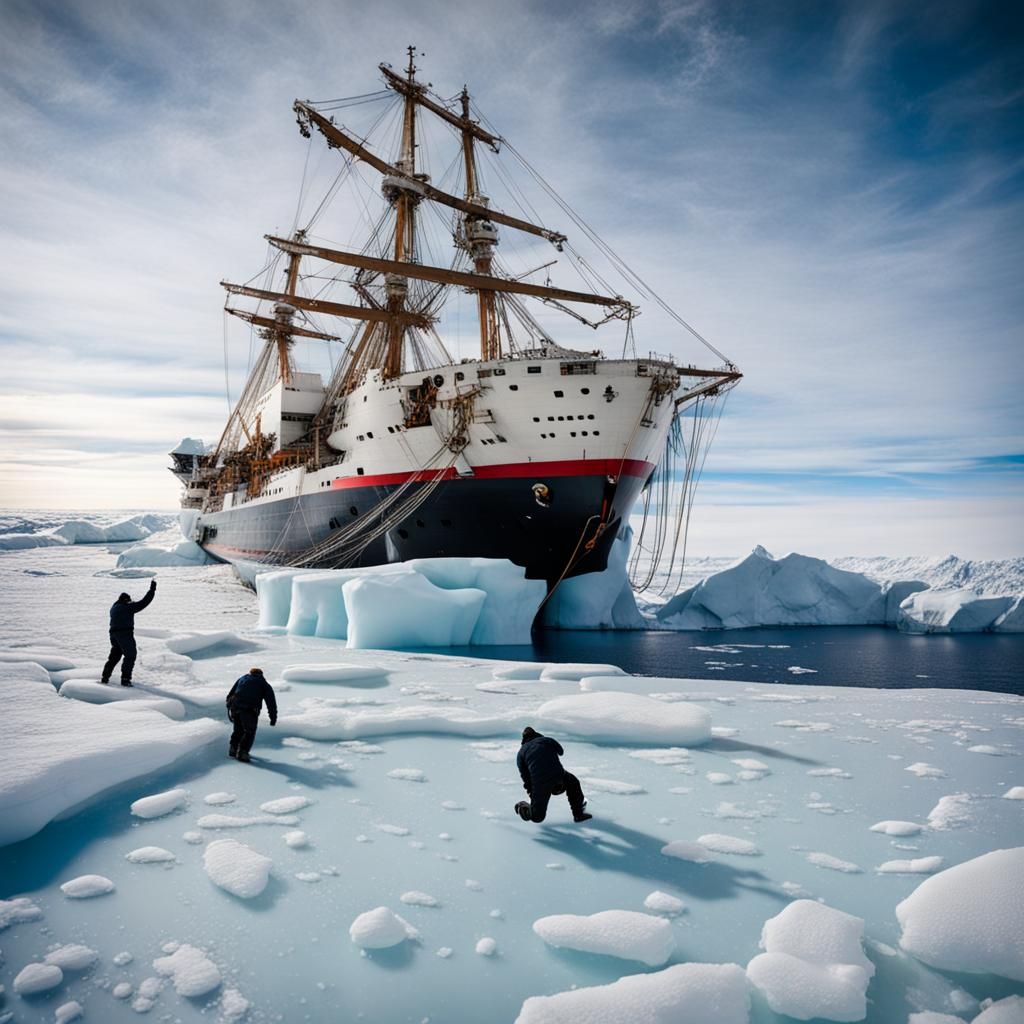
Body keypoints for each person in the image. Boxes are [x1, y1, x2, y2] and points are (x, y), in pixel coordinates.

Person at [514, 726, 592, 823]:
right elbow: (561, 752)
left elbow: (526, 778)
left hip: (540, 783)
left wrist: (534, 797)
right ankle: (578, 814)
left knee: (537, 817)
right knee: (573, 783)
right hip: (558, 775)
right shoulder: (546, 740)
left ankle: (524, 806)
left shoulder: (520, 754)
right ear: (536, 734)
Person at [100, 579, 157, 687]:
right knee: (130, 655)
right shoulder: (127, 608)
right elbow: (144, 602)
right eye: (129, 600)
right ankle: (125, 679)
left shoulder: (114, 607)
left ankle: (105, 677)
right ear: (126, 600)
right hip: (124, 635)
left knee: (114, 657)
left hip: (114, 635)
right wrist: (152, 590)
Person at [225, 667, 277, 763]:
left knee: (238, 729)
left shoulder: (242, 679)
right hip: (249, 711)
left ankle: (233, 749)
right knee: (249, 731)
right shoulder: (264, 685)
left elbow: (231, 693)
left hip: (235, 708)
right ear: (261, 675)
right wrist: (273, 718)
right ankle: (243, 752)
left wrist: (229, 704)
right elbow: (271, 703)